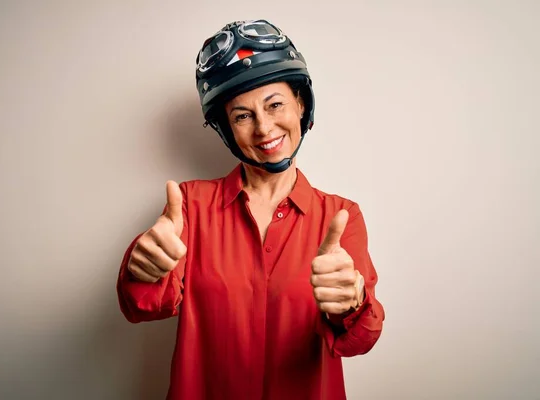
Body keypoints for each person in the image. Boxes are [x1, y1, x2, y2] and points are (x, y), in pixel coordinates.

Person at [117, 19, 385, 400]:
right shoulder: (190, 206)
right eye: (242, 115)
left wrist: (353, 303)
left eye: (275, 104)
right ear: (226, 128)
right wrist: (140, 269)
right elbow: (143, 306)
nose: (263, 128)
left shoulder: (341, 216)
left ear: (301, 104)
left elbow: (360, 339)